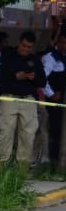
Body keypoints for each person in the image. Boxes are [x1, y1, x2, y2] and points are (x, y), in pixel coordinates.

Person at [0, 31, 46, 165]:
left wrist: (33, 77)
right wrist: (15, 77)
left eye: (29, 47)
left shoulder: (35, 60)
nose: (26, 49)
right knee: (5, 133)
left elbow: (43, 82)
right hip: (9, 98)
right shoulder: (8, 56)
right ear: (19, 42)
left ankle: (21, 173)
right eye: (24, 45)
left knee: (28, 136)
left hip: (28, 100)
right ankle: (0, 169)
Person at [41, 28, 66, 166]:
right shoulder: (51, 57)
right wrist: (51, 94)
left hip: (62, 99)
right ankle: (53, 159)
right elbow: (42, 78)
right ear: (58, 42)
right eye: (62, 42)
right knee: (55, 129)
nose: (64, 45)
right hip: (54, 101)